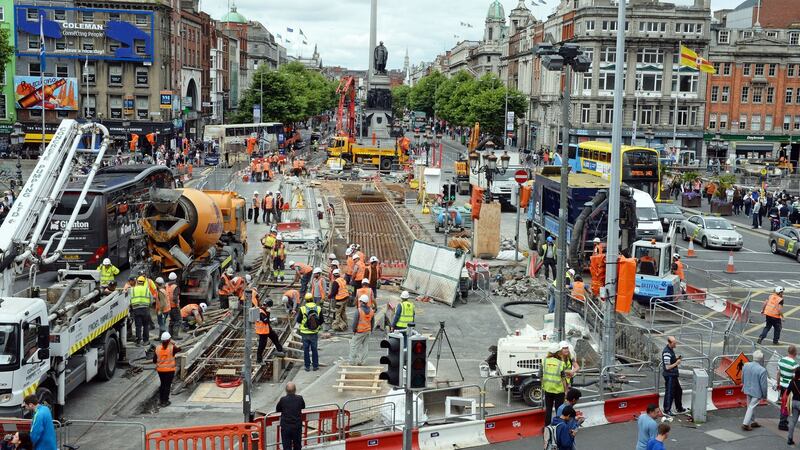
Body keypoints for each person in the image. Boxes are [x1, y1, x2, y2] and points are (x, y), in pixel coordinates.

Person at [742, 349, 768, 431]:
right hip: (757, 392)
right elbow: (764, 385)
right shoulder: (762, 370)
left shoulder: (746, 365)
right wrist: (765, 395)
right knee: (751, 407)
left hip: (747, 388)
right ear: (761, 359)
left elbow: (742, 378)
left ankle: (753, 421)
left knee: (750, 406)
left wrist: (744, 385)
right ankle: (745, 423)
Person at [543, 343, 567, 427]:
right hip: (558, 390)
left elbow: (540, 375)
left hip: (548, 389)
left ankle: (547, 427)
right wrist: (566, 391)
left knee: (548, 409)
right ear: (558, 352)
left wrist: (543, 386)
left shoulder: (544, 361)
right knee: (559, 410)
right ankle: (558, 426)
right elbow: (563, 378)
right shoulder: (560, 363)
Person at [661, 336, 686, 420]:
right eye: (674, 343)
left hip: (673, 375)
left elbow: (671, 361)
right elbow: (667, 367)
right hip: (670, 375)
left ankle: (679, 408)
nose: (676, 344)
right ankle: (667, 410)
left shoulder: (670, 350)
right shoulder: (667, 352)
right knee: (670, 392)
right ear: (669, 343)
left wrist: (676, 359)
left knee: (678, 391)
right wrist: (677, 363)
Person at [275, 382, 305, 450]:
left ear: (286, 391)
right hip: (297, 426)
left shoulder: (283, 399)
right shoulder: (300, 398)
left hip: (286, 427)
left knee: (286, 446)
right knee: (297, 445)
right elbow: (303, 406)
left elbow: (278, 409)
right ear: (295, 390)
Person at [297, 294, 323, 371]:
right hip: (314, 332)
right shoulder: (318, 308)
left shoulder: (302, 309)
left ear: (305, 300)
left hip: (304, 333)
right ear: (312, 299)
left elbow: (298, 320)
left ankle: (307, 366)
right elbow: (321, 320)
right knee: (314, 349)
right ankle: (315, 366)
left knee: (306, 350)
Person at [153, 332, 179, 407]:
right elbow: (180, 348)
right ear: (169, 340)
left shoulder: (157, 348)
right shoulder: (172, 348)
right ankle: (165, 401)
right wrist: (174, 343)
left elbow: (154, 360)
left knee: (162, 384)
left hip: (160, 371)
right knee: (167, 385)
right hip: (170, 370)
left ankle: (161, 400)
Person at [348, 295, 375, 365]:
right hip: (368, 331)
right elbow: (372, 322)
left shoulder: (359, 311)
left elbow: (355, 322)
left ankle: (352, 362)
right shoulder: (371, 311)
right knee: (365, 347)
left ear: (362, 302)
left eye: (360, 301)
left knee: (354, 346)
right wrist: (371, 330)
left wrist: (354, 330)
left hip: (359, 331)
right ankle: (362, 361)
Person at [778, 345, 799, 430]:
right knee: (786, 405)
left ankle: (783, 420)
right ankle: (782, 423)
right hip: (789, 387)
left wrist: (777, 383)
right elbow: (795, 377)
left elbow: (778, 374)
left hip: (782, 385)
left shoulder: (781, 360)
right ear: (795, 353)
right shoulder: (795, 365)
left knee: (783, 404)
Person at [130, 275, 153, 346]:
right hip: (145, 309)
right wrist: (149, 306)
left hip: (136, 309)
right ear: (143, 282)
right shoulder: (147, 289)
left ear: (137, 282)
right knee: (146, 325)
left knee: (138, 326)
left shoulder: (133, 289)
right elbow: (151, 300)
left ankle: (138, 341)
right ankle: (146, 341)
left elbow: (129, 300)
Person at [786, 366, 800, 445]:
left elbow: (788, 393)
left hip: (794, 402)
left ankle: (790, 439)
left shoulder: (793, 382)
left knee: (793, 421)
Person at [165, 272, 182, 339]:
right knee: (178, 320)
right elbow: (175, 298)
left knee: (172, 321)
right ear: (175, 279)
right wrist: (177, 306)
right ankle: (175, 336)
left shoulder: (166, 285)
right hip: (174, 306)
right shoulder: (175, 287)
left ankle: (170, 334)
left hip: (168, 307)